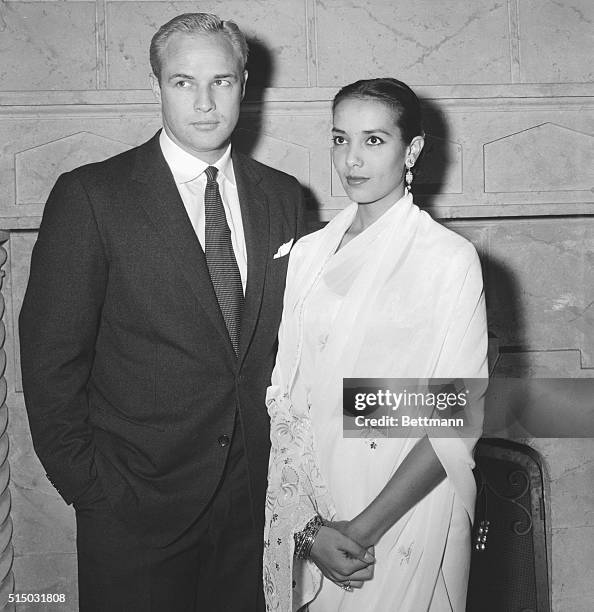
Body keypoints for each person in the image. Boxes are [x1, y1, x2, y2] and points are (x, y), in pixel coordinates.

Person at [19, 12, 306, 612]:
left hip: (253, 511)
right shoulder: (92, 196)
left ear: (244, 85)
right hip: (134, 514)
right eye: (183, 82)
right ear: (156, 87)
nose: (205, 102)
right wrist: (93, 491)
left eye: (221, 81)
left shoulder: (283, 196)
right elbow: (50, 363)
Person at [264, 78, 488, 612]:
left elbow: (456, 415)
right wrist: (308, 527)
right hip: (310, 511)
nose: (352, 160)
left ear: (411, 149)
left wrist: (362, 529)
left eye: (374, 140)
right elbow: (287, 403)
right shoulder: (307, 256)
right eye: (341, 139)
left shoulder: (447, 261)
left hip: (400, 509)